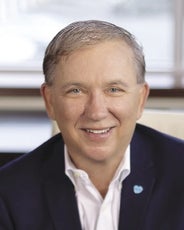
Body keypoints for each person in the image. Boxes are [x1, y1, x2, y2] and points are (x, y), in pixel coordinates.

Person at [0, 20, 184, 230]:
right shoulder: (8, 195)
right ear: (50, 101)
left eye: (113, 89)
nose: (96, 112)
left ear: (141, 99)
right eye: (76, 90)